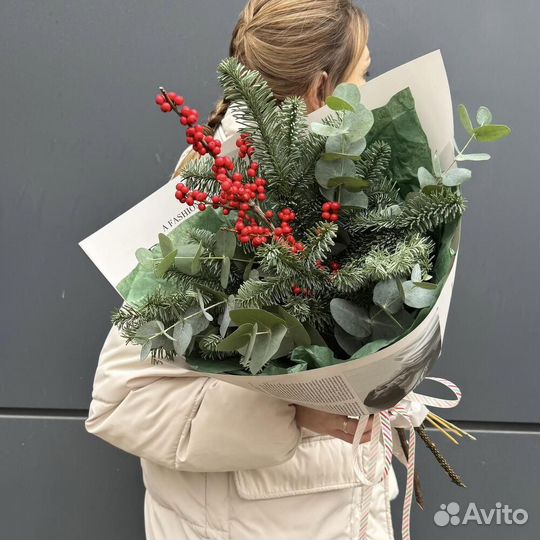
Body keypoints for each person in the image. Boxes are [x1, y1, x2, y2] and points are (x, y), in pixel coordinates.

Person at [85, 1, 399, 539]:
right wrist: (295, 415)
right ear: (321, 90)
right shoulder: (212, 213)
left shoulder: (332, 192)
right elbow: (123, 402)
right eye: (364, 75)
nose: (372, 90)